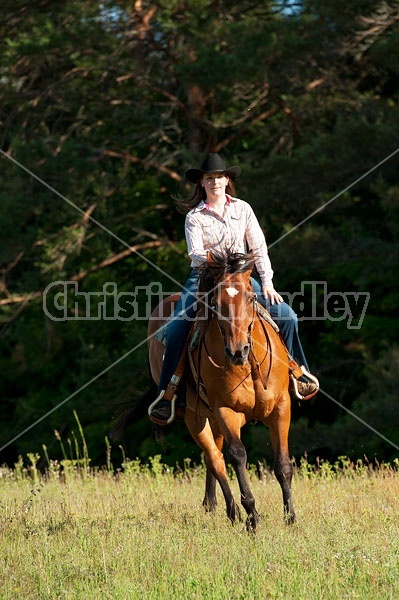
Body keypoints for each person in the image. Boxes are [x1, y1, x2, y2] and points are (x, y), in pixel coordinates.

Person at [149, 153, 319, 425]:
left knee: (288, 316)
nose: (214, 182)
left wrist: (267, 283)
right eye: (209, 178)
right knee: (176, 327)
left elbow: (259, 247)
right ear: (201, 184)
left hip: (241, 278)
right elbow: (196, 255)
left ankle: (300, 373)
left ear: (227, 180)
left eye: (219, 177)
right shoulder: (194, 217)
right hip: (204, 278)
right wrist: (224, 262)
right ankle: (166, 395)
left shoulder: (243, 209)